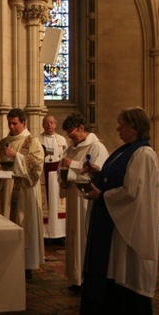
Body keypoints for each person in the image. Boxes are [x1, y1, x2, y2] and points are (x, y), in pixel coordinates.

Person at [78, 106, 159, 315]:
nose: (117, 129)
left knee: (124, 277)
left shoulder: (143, 154)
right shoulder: (126, 151)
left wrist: (101, 195)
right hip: (115, 225)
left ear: (134, 128)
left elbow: (132, 193)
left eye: (121, 124)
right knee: (112, 275)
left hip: (127, 229)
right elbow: (120, 180)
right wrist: (99, 174)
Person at [0, 108, 45, 280]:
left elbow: (36, 166)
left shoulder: (32, 142)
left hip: (24, 192)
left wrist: (17, 157)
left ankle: (27, 265)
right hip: (6, 191)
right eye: (9, 123)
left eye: (15, 123)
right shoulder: (2, 143)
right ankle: (8, 261)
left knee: (24, 223)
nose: (11, 127)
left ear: (23, 123)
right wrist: (1, 166)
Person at [59, 113, 109, 293]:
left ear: (81, 128)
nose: (69, 136)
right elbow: (61, 168)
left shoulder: (97, 147)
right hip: (73, 199)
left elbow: (99, 173)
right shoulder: (70, 148)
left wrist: (71, 164)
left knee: (84, 237)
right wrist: (62, 179)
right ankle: (75, 278)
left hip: (87, 200)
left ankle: (87, 278)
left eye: (71, 132)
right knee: (73, 237)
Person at [38, 115, 68, 245]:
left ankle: (59, 234)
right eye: (46, 123)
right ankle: (45, 234)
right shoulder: (37, 140)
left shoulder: (61, 140)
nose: (49, 125)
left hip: (57, 177)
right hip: (43, 177)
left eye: (52, 123)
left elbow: (66, 157)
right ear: (42, 125)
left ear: (55, 125)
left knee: (58, 204)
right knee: (46, 205)